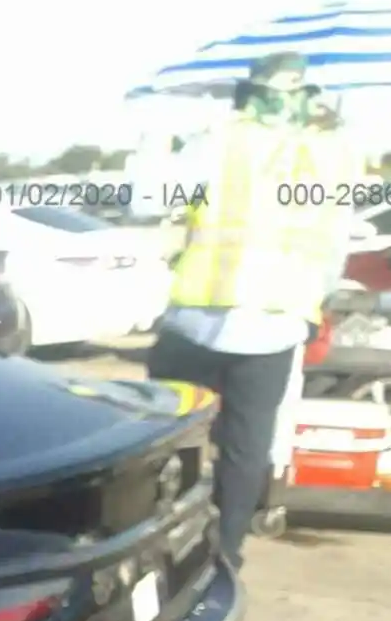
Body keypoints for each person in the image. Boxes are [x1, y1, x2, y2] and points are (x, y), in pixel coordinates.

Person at [146, 52, 357, 569]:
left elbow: (154, 199)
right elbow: (334, 248)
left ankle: (154, 544)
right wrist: (311, 303)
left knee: (163, 436)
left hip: (199, 317)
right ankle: (223, 558)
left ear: (250, 90)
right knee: (246, 449)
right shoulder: (335, 156)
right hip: (276, 322)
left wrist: (156, 149)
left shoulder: (219, 141)